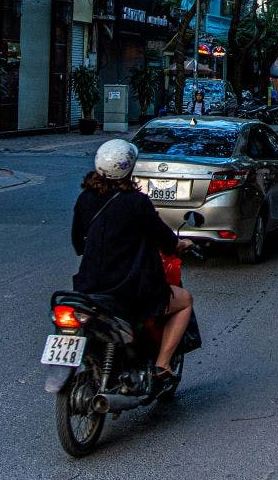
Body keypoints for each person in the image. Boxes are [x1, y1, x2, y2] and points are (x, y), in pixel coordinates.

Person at [71, 138, 193, 389]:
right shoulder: (136, 203)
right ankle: (162, 365)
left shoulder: (85, 199)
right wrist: (180, 244)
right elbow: (165, 239)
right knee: (184, 301)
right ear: (129, 168)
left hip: (88, 288)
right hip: (130, 290)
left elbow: (78, 243)